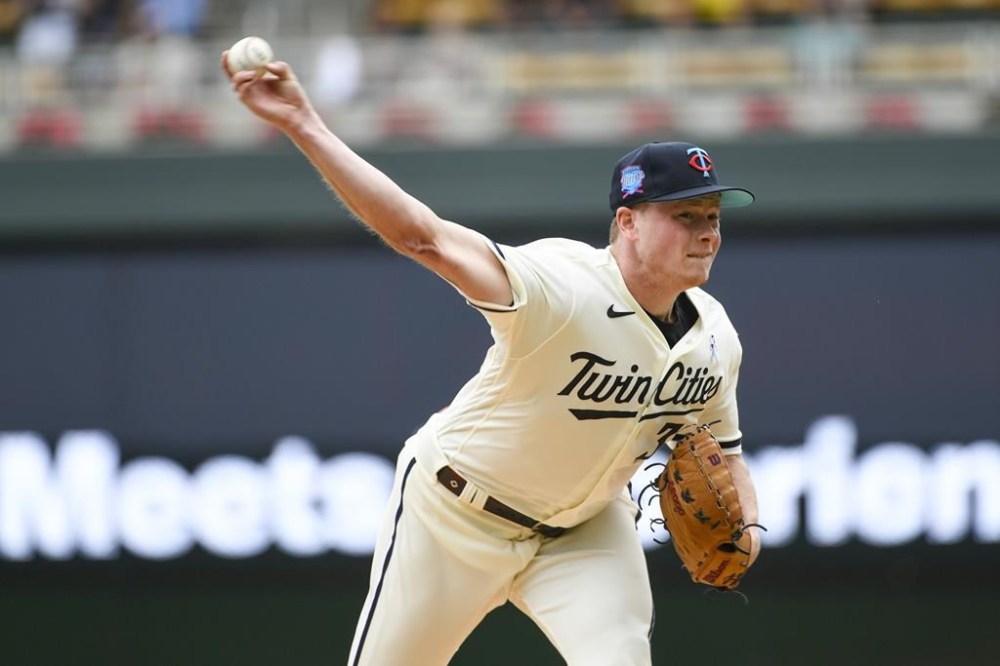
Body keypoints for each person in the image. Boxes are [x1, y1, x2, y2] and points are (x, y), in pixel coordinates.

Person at [223, 50, 761, 666]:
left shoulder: (716, 337)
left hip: (583, 532)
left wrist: (748, 526)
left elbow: (727, 451)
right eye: (685, 215)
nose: (707, 232)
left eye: (713, 217)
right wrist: (305, 125)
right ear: (628, 222)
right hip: (455, 514)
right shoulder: (562, 286)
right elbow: (422, 237)